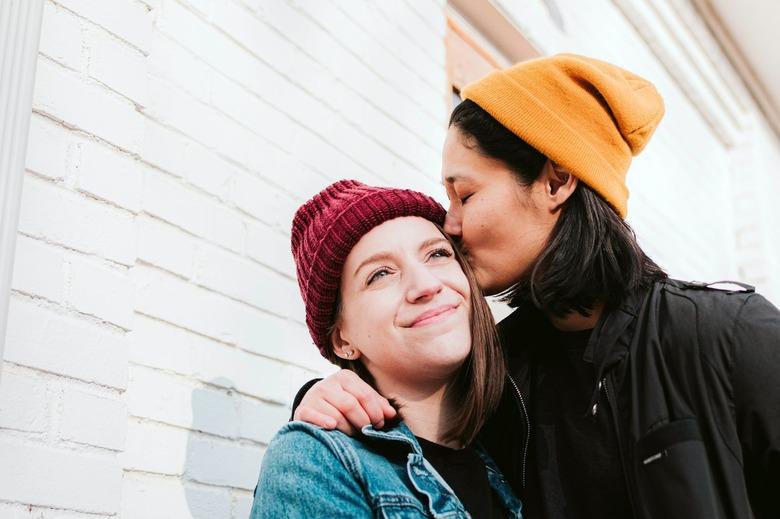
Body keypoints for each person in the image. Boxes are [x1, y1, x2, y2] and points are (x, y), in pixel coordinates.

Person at [291, 54, 780, 519]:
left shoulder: (727, 336)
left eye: (465, 195)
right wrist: (322, 396)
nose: (451, 225)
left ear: (556, 181)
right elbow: (415, 443)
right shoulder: (501, 375)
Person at [251, 180, 523, 518]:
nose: (425, 285)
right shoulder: (316, 461)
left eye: (437, 254)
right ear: (342, 340)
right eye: (380, 274)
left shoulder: (517, 442)